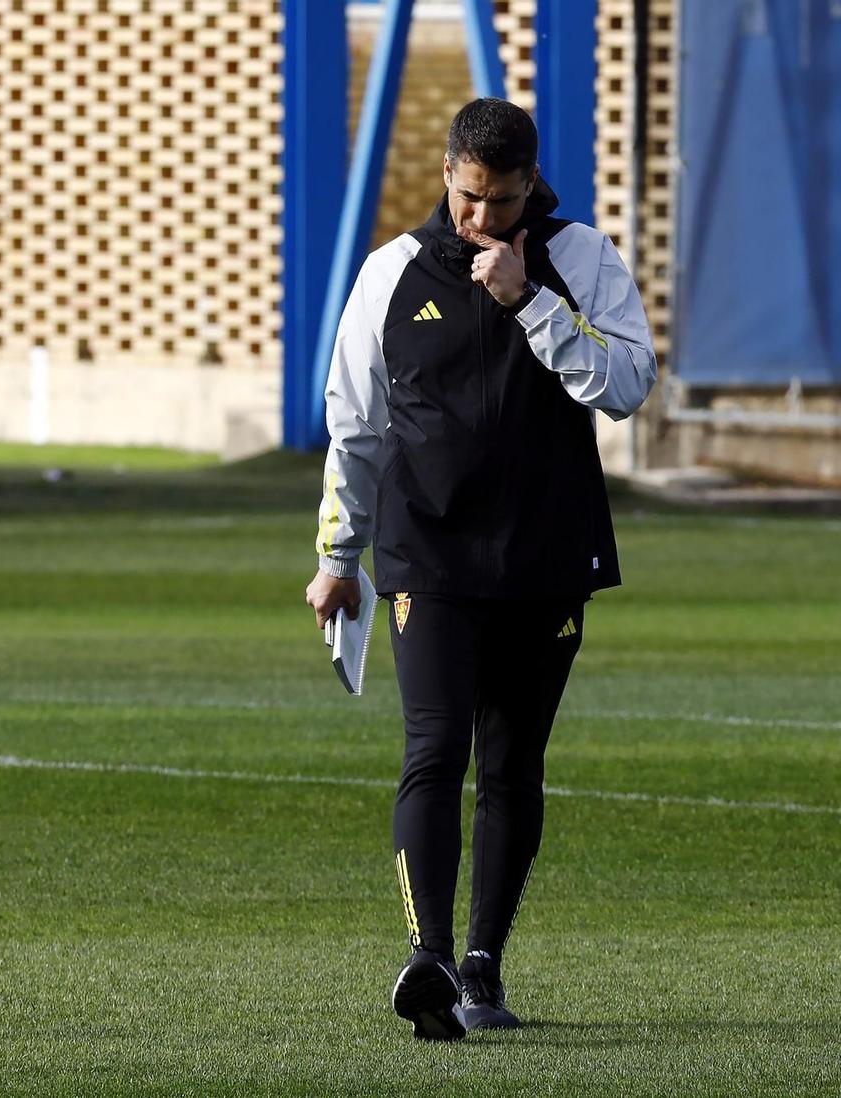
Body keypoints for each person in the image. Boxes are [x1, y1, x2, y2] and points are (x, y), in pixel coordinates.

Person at [303, 98, 657, 1041]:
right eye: (467, 199)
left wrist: (530, 301)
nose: (479, 221)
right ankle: (423, 957)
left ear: (529, 185)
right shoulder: (391, 274)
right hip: (431, 556)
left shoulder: (581, 259)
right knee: (432, 748)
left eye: (499, 204)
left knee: (513, 767)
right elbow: (356, 427)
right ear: (449, 175)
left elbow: (627, 385)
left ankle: (481, 970)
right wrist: (338, 556)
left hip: (545, 554)